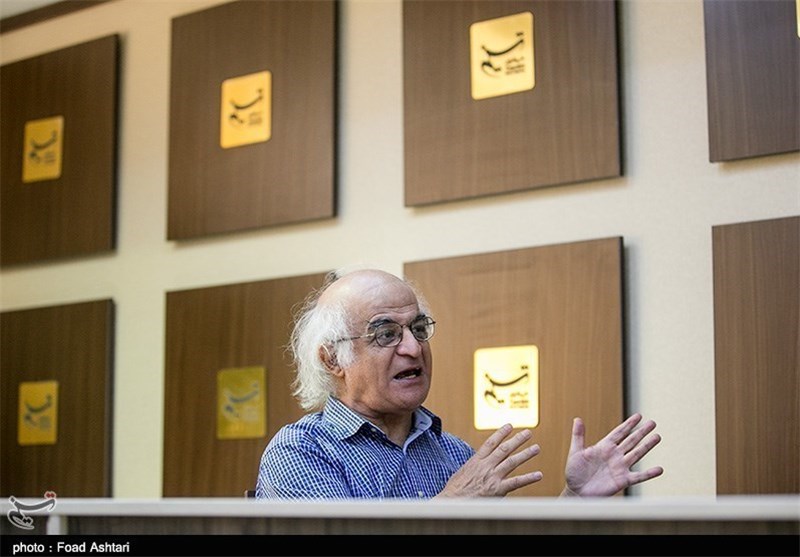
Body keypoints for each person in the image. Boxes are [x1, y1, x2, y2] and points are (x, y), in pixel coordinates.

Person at [255, 267, 663, 499]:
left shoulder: (455, 454)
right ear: (332, 359)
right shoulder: (300, 452)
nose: (413, 348)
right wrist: (450, 506)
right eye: (385, 334)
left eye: (418, 328)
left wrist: (575, 499)